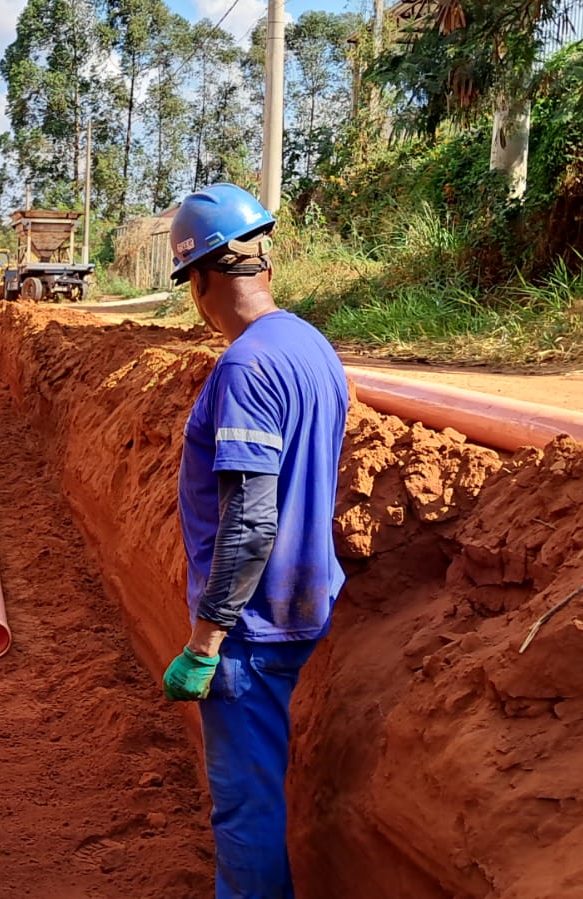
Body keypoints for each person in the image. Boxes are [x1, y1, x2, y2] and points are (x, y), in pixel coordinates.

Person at [159, 183, 349, 899]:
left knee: (245, 807)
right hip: (303, 602)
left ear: (202, 278)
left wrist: (205, 643)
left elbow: (248, 518)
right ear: (261, 261)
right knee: (263, 788)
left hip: (249, 628)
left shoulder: (242, 367)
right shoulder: (309, 344)